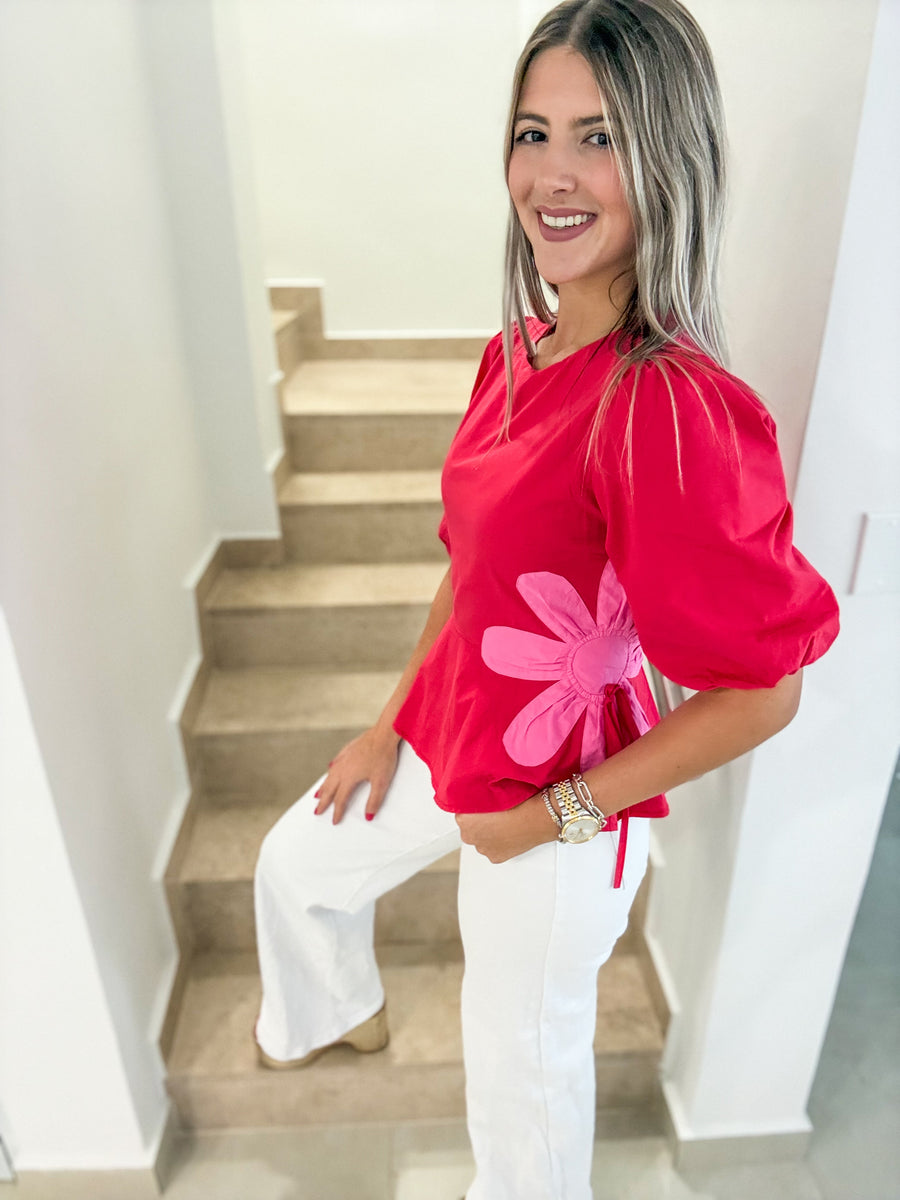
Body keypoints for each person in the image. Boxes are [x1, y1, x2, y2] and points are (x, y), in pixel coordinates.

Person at [252, 1, 841, 1197]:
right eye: (534, 133)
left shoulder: (666, 407)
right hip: (462, 724)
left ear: (669, 159)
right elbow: (473, 574)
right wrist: (387, 722)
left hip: (559, 804)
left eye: (601, 136)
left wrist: (549, 820)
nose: (553, 175)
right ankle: (345, 1009)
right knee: (295, 869)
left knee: (518, 1119)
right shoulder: (514, 352)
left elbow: (763, 692)